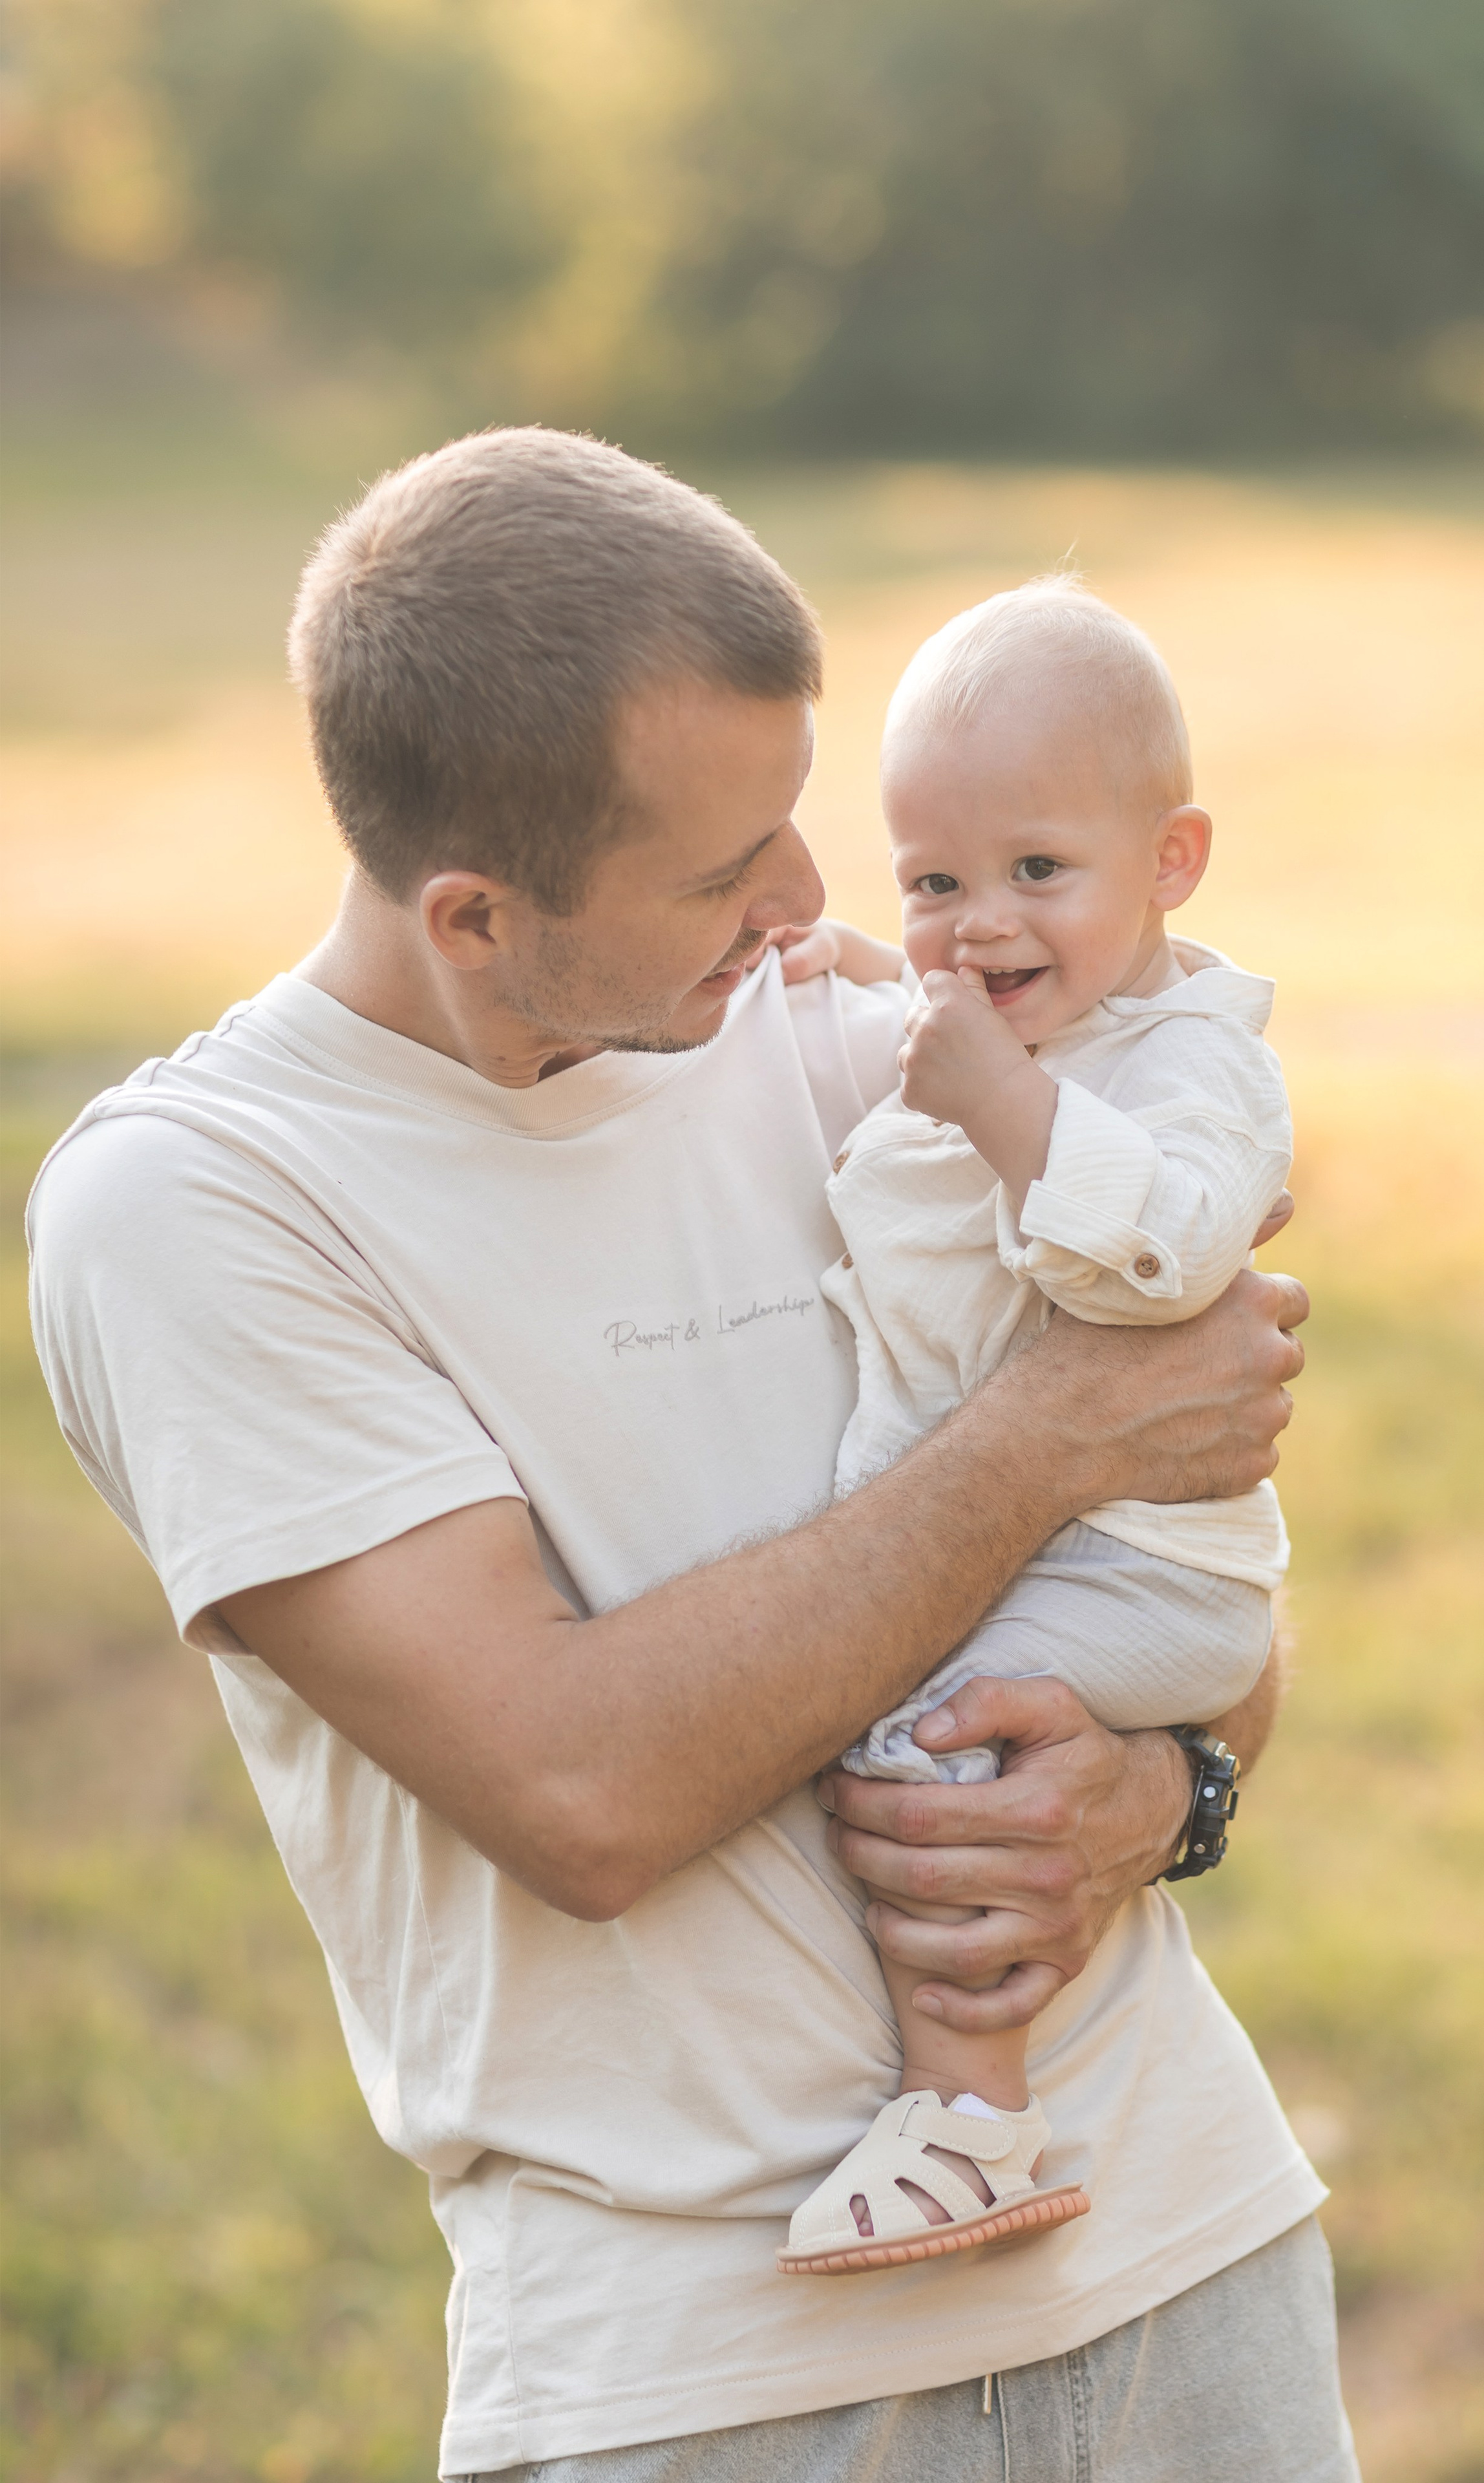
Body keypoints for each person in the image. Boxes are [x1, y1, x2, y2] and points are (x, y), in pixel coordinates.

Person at [27, 429, 1353, 2481]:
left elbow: (1199, 1607)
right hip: (727, 2391)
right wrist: (1044, 1435)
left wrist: (1165, 1792)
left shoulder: (866, 1051)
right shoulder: (207, 1206)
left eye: (803, 821)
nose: (824, 907)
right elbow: (582, 1784)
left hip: (1195, 2266)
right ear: (475, 914)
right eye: (728, 870)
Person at [778, 580, 1295, 2277]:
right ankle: (972, 2103)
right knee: (910, 1711)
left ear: (1174, 861)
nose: (976, 925)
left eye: (1035, 875)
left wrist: (1008, 1107)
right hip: (1085, 1547)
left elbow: (1173, 1252)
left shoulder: (1184, 1063)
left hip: (1148, 1570)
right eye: (934, 882)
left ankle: (974, 2112)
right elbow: (929, 1055)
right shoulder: (1040, 1020)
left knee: (922, 1746)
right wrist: (863, 971)